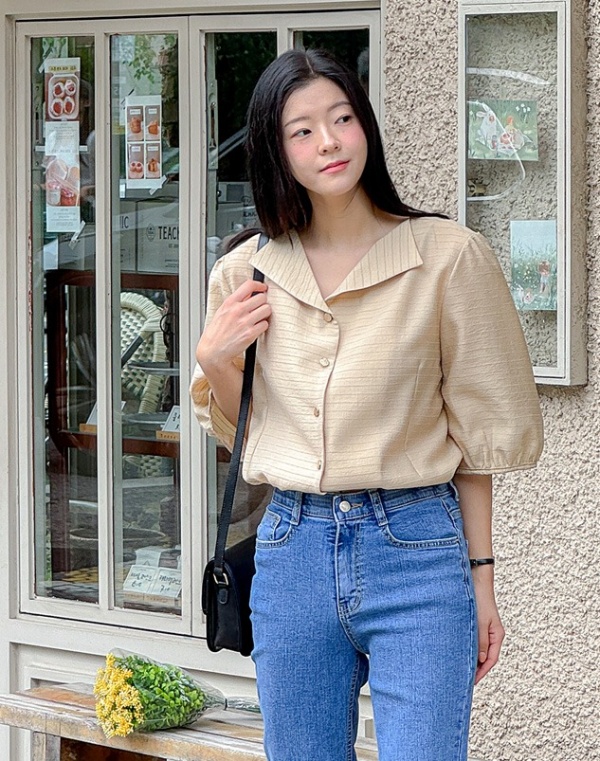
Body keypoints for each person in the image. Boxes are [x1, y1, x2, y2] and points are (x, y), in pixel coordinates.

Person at [190, 49, 543, 761]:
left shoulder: (447, 257)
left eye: (343, 119)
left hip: (417, 545)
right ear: (275, 150)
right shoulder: (244, 272)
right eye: (302, 131)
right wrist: (214, 361)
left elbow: (474, 441)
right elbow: (247, 433)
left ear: (366, 126)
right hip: (292, 548)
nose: (329, 142)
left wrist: (483, 580)